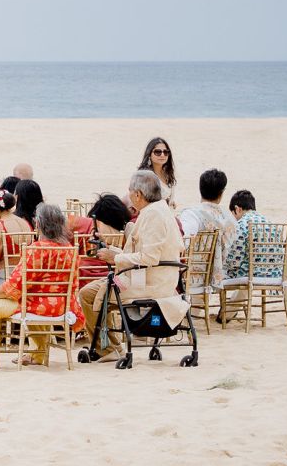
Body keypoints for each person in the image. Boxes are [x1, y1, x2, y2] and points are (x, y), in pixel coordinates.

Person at [81, 170, 188, 357]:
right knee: (93, 292)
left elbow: (149, 258)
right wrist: (114, 252)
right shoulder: (159, 211)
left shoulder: (154, 215)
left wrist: (115, 258)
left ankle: (106, 348)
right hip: (156, 278)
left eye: (130, 192)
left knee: (87, 295)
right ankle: (112, 346)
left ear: (138, 194)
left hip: (150, 284)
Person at [0, 204, 82, 368]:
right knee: (31, 298)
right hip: (60, 306)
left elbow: (14, 286)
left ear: (38, 225)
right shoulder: (70, 250)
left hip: (35, 305)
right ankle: (37, 354)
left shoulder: (36, 249)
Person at [222, 190, 280, 284]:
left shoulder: (241, 225)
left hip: (250, 275)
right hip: (274, 274)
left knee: (223, 272)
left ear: (237, 209)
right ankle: (236, 299)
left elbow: (235, 261)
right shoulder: (271, 224)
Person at [178, 168, 233, 245]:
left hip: (193, 257)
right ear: (221, 193)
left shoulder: (191, 214)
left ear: (200, 188)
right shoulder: (229, 217)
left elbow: (184, 242)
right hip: (222, 257)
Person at [139, 137, 176, 208]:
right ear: (149, 154)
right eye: (158, 152)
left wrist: (171, 202)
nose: (162, 155)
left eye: (166, 152)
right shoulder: (145, 176)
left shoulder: (168, 173)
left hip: (168, 214)